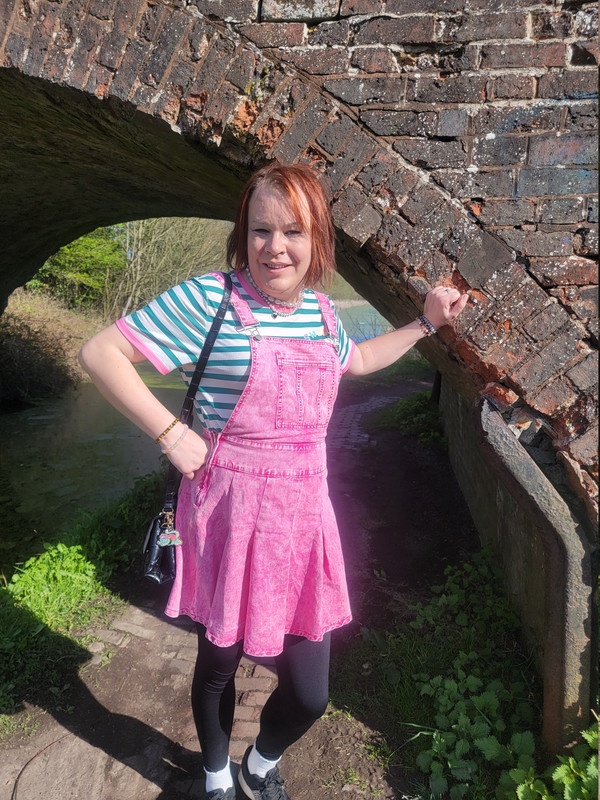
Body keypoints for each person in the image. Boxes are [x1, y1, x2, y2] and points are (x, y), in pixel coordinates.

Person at [79, 161, 468, 800]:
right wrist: (170, 433)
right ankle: (216, 777)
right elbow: (101, 353)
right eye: (261, 230)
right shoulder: (209, 299)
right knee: (218, 665)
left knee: (311, 693)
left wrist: (425, 323)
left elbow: (358, 359)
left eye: (293, 231)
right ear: (244, 234)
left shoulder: (322, 313)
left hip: (302, 519)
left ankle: (260, 762)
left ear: (318, 240)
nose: (275, 247)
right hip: (228, 513)